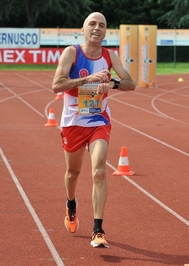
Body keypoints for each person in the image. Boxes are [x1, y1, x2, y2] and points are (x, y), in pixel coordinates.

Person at [51, 12, 135, 248]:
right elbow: (56, 84)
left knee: (99, 172)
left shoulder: (109, 56)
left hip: (99, 120)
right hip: (73, 122)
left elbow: (131, 84)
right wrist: (85, 81)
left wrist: (113, 84)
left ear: (106, 31)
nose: (97, 28)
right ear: (83, 29)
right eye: (92, 24)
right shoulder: (72, 53)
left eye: (102, 25)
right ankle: (70, 205)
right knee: (72, 174)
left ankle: (98, 230)